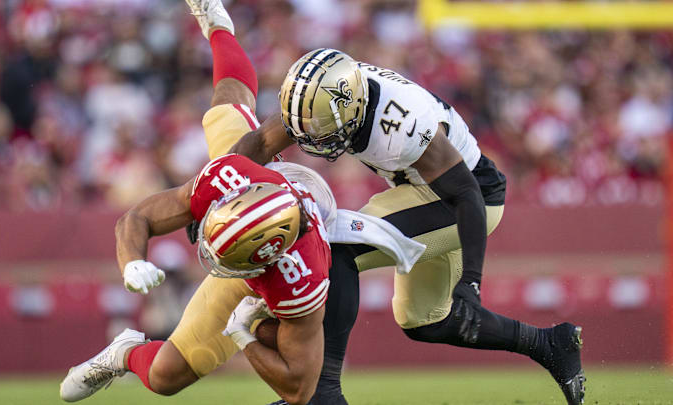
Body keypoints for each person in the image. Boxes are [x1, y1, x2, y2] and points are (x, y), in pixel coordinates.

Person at [230, 49, 586, 405]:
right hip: (421, 190)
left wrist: (472, 281)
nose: (312, 141)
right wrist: (216, 194)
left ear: (351, 108)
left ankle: (323, 394)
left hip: (467, 200)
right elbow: (261, 141)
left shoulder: (399, 121)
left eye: (323, 131)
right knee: (427, 321)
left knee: (338, 246)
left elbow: (466, 194)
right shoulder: (324, 96)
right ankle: (550, 344)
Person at [59, 2, 331, 404]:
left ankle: (124, 353)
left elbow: (299, 387)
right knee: (224, 112)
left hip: (301, 249)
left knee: (167, 376)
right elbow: (136, 217)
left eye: (230, 258)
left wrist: (243, 334)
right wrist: (131, 261)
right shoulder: (231, 176)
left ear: (259, 264)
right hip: (267, 193)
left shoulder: (298, 279)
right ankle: (219, 26)